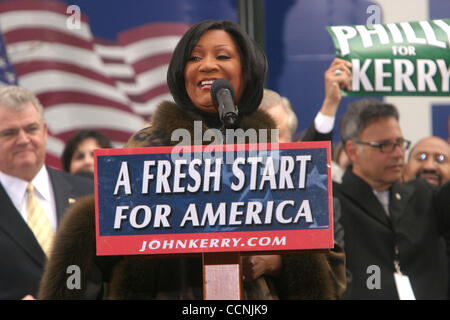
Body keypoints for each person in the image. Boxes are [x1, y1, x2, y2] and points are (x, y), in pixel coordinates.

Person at [38, 20, 346, 300]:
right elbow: (96, 250)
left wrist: (278, 262)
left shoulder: (278, 155)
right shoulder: (147, 147)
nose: (207, 66)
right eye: (195, 58)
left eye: (222, 56)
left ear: (248, 70)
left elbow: (331, 277)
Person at [335, 98, 450, 299]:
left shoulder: (423, 195)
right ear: (353, 151)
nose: (398, 154)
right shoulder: (335, 205)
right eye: (384, 145)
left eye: (399, 143)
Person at [0, 86, 94, 299]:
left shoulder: (89, 193)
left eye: (31, 129)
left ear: (44, 132)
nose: (23, 139)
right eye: (9, 133)